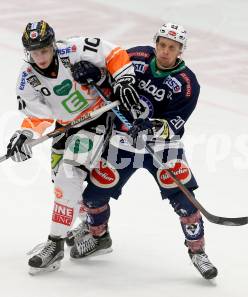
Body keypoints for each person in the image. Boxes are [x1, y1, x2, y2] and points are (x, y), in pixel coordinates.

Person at [68, 22, 218, 280]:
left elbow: (176, 124)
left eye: (172, 47)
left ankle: (198, 252)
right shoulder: (136, 55)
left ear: (181, 50)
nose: (165, 51)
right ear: (156, 43)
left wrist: (150, 126)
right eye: (161, 45)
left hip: (162, 148)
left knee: (184, 202)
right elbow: (110, 77)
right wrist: (90, 72)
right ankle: (99, 236)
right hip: (122, 143)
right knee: (92, 197)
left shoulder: (187, 83)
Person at [6, 20, 143, 275]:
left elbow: (114, 53)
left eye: (44, 50)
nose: (40, 57)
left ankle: (55, 244)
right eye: (34, 52)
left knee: (67, 178)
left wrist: (124, 81)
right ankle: (96, 231)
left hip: (96, 118)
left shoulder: (74, 49)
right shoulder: (27, 78)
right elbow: (37, 116)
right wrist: (24, 135)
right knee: (61, 185)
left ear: (52, 45)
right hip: (67, 126)